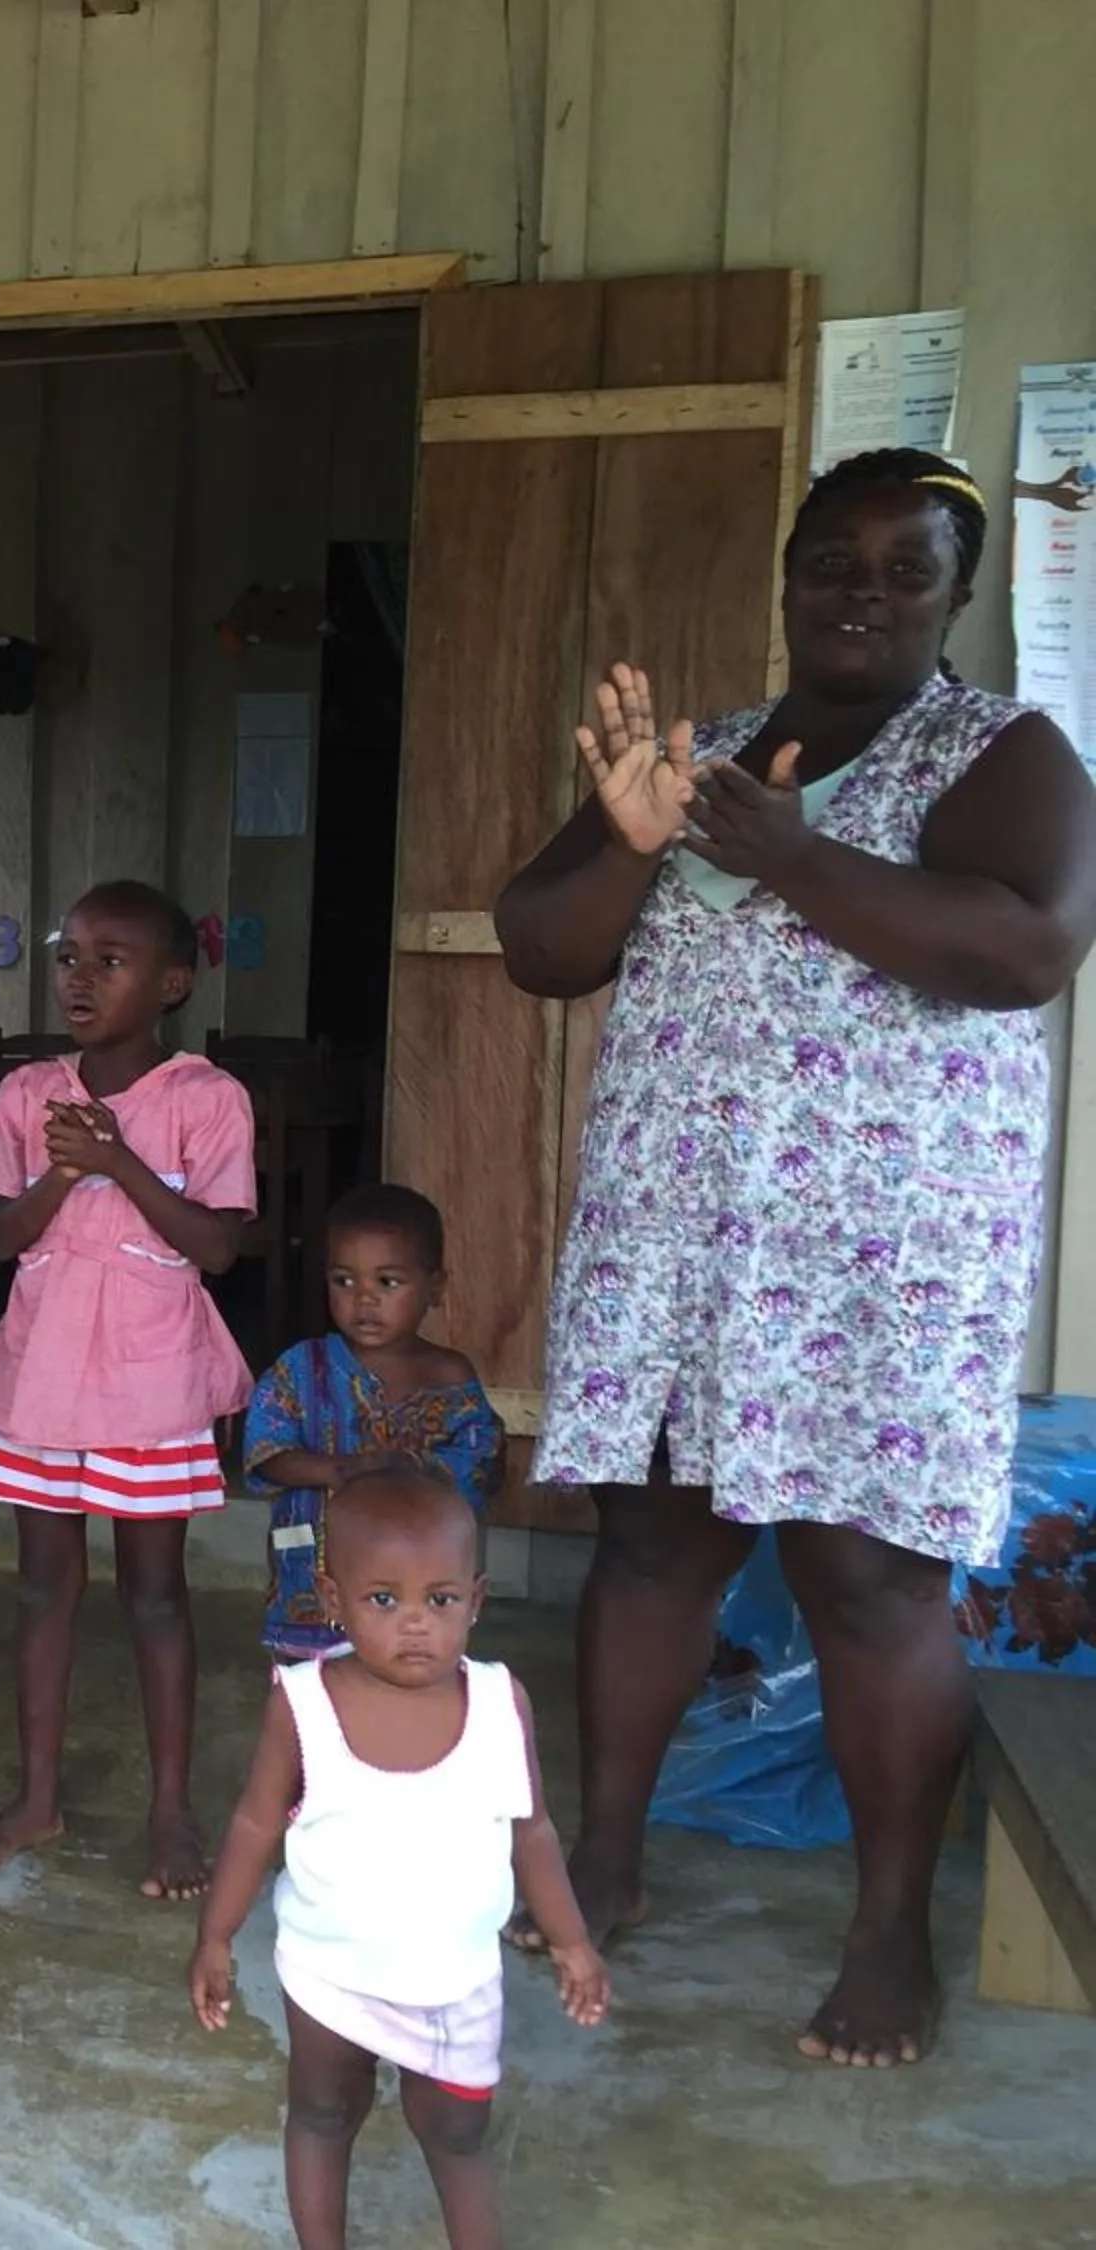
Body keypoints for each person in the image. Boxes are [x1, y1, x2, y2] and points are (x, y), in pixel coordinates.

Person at [494, 450, 1096, 2068]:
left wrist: (789, 858)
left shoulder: (1006, 755)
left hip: (876, 1257)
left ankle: (890, 1930)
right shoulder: (693, 758)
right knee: (650, 1547)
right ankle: (602, 1856)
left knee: (868, 1580)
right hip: (685, 1228)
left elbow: (1027, 947)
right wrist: (633, 841)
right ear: (787, 574)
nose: (863, 593)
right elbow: (540, 947)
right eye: (835, 559)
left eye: (908, 570)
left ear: (957, 598)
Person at [189, 1469, 609, 2250]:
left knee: (455, 2132)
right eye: (384, 1600)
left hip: (453, 1979)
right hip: (328, 1970)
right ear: (331, 1597)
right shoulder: (302, 1702)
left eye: (440, 1600)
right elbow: (254, 1826)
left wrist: (572, 1939)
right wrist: (216, 1935)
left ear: (476, 1600)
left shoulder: (497, 1702)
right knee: (322, 2111)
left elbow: (534, 1830)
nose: (414, 1624)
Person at [0, 883, 255, 1892]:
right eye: (70, 955)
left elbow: (217, 1247)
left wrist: (119, 1163)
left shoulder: (206, 1098)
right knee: (43, 1585)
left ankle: (171, 1811)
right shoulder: (28, 1092)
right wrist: (59, 1171)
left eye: (110, 960)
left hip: (149, 1383)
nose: (80, 976)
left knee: (159, 1594)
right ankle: (38, 1796)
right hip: (41, 1375)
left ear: (171, 984)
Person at [245, 1185, 505, 1661]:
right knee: (314, 1708)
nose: (363, 1299)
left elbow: (482, 1463)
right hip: (313, 1593)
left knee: (405, 1704)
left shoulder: (449, 1377)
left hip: (413, 1593)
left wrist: (406, 1470)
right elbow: (267, 1451)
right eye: (344, 1281)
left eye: (387, 1282)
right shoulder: (304, 1369)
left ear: (435, 1289)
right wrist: (335, 1471)